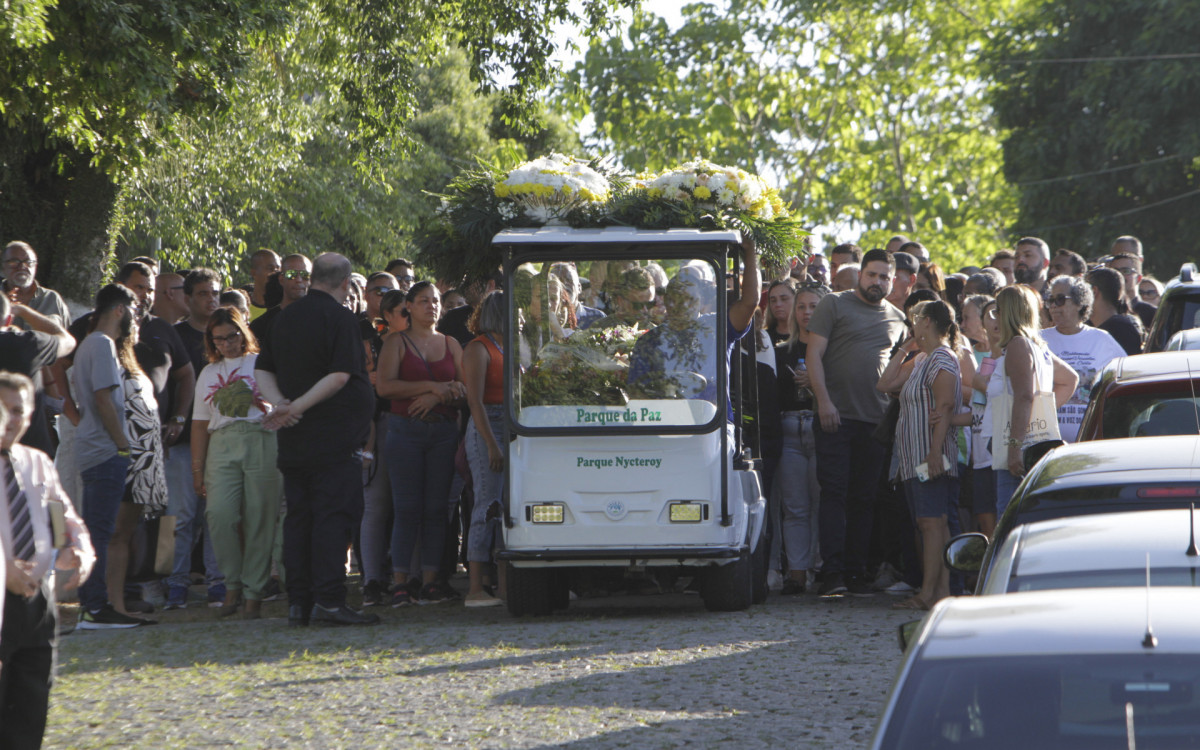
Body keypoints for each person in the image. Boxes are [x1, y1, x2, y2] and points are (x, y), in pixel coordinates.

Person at [256, 252, 377, 627]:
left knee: (300, 517)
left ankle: (300, 601)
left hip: (295, 437)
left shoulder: (286, 317)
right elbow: (340, 375)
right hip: (331, 436)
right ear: (345, 283)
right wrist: (297, 408)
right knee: (331, 517)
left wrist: (282, 404)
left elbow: (262, 368)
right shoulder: (341, 318)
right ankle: (328, 598)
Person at [0, 372, 95, 747]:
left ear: (31, 413)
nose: (9, 420)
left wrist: (76, 550)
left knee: (31, 704)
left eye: (17, 411)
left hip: (36, 602)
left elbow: (60, 515)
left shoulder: (35, 461)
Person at [807, 248, 907, 596]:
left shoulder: (899, 319)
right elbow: (813, 354)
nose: (877, 281)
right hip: (835, 415)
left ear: (892, 282)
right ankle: (831, 574)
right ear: (860, 274)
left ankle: (856, 573)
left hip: (875, 421)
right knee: (834, 494)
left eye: (884, 277)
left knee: (865, 499)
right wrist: (823, 403)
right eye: (872, 274)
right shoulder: (833, 304)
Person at [375, 281, 465, 607]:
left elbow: (465, 388)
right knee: (407, 508)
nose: (432, 306)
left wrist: (440, 395)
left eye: (436, 300)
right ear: (408, 307)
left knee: (436, 509)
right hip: (405, 432)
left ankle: (430, 581)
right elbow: (385, 388)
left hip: (442, 433)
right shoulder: (396, 342)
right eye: (424, 301)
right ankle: (400, 582)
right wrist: (433, 389)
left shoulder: (451, 343)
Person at [190, 308, 281, 620]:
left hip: (261, 437)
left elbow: (280, 402)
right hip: (222, 443)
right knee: (220, 515)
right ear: (211, 342)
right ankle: (232, 584)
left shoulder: (261, 362)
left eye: (232, 336)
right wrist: (197, 470)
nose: (227, 343)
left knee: (260, 518)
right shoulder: (207, 373)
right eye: (219, 339)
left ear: (243, 333)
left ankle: (254, 592)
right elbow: (200, 424)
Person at [876, 300, 962, 611]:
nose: (913, 322)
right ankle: (938, 591)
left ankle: (931, 593)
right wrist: (905, 349)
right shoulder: (924, 358)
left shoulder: (942, 359)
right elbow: (884, 384)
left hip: (930, 455)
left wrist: (935, 453)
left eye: (916, 319)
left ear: (928, 321)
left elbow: (946, 408)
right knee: (928, 522)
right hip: (913, 458)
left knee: (932, 522)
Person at [74, 284, 147, 629]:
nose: (137, 314)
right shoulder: (102, 344)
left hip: (97, 448)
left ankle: (95, 604)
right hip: (105, 450)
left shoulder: (90, 343)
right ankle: (95, 607)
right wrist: (122, 444)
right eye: (134, 306)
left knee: (97, 529)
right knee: (100, 531)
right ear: (120, 309)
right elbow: (104, 399)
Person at [163, 267, 226, 610]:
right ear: (187, 299)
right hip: (182, 440)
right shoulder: (173, 335)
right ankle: (171, 582)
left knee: (216, 514)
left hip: (221, 439)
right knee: (177, 515)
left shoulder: (228, 338)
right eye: (203, 293)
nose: (211, 299)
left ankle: (218, 580)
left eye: (215, 292)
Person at [986, 286, 1076, 516]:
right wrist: (1041, 413)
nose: (995, 317)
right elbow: (1070, 379)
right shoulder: (1038, 346)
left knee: (1008, 519)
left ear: (1008, 312)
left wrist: (1014, 448)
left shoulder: (1018, 344)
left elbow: (1024, 396)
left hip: (1017, 446)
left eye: (998, 310)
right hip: (1031, 443)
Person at [772, 283, 827, 595]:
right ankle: (796, 573)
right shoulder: (781, 350)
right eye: (802, 307)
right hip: (789, 428)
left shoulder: (834, 349)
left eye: (814, 306)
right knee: (794, 507)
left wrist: (819, 382)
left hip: (821, 426)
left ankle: (821, 569)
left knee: (823, 503)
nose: (807, 313)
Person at [358, 289, 406, 607]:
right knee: (376, 506)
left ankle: (410, 577)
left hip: (417, 423)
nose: (410, 315)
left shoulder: (431, 341)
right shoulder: (372, 343)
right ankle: (372, 579)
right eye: (403, 311)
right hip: (380, 422)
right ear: (386, 315)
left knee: (410, 506)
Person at [1041, 275, 1126, 443]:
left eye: (1060, 300)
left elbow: (1126, 378)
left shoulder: (1102, 340)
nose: (1053, 307)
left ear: (1080, 302)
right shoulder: (1039, 340)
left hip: (1090, 442)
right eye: (1050, 300)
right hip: (1046, 442)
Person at [462, 291, 506, 608]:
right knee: (486, 505)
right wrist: (491, 443)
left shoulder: (511, 346)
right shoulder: (479, 348)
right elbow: (474, 401)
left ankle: (505, 582)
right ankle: (475, 585)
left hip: (512, 423)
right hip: (487, 424)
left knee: (507, 507)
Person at [0, 293, 75, 457]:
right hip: (28, 454)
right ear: (8, 320)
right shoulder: (27, 343)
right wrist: (23, 311)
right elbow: (68, 341)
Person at [962, 295, 997, 537]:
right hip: (977, 452)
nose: (961, 323)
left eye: (966, 317)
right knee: (982, 517)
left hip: (999, 453)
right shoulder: (978, 358)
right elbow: (977, 405)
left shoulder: (1007, 354)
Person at [2, 242, 70, 329]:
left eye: (28, 262)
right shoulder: (1, 299)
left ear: (35, 266)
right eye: (14, 262)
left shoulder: (52, 298)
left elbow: (67, 337)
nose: (22, 267)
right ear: (3, 267)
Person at [250, 254, 310, 345]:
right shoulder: (262, 325)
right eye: (291, 274)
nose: (299, 279)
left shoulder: (322, 320)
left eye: (305, 275)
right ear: (281, 279)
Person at [1087, 266, 1144, 356]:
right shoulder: (1090, 326)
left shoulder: (1121, 331)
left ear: (1094, 292)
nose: (1079, 298)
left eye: (1083, 292)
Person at [1107, 253, 1157, 328]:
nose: (1120, 275)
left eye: (1126, 271)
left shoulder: (1152, 314)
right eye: (1115, 272)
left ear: (1138, 278)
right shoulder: (1103, 311)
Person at [242, 249, 281, 321]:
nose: (275, 273)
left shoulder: (284, 306)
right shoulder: (240, 305)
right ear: (253, 273)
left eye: (278, 269)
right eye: (270, 269)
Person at [764, 279, 797, 345]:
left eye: (784, 299)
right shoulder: (764, 338)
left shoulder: (806, 337)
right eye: (773, 300)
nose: (778, 304)